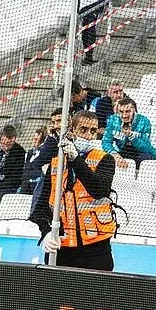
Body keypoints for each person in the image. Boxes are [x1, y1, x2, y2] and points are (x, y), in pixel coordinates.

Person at [29, 110, 120, 271]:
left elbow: (99, 190)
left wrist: (75, 158)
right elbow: (40, 206)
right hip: (61, 247)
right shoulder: (55, 163)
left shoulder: (105, 160)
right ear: (72, 131)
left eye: (93, 131)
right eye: (83, 130)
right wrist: (46, 233)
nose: (88, 136)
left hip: (96, 248)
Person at [102, 96, 156, 163]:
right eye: (121, 112)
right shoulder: (113, 120)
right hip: (123, 150)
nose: (124, 115)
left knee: (145, 158)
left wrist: (131, 136)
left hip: (141, 152)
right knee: (106, 157)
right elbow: (106, 142)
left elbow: (146, 148)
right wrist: (114, 154)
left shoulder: (144, 122)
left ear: (133, 110)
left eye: (127, 111)